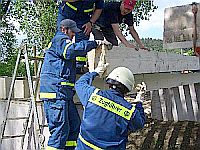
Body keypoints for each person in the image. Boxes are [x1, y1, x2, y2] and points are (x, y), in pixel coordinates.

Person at [39, 19, 100, 150]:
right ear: (64, 29)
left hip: (63, 94)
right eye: (72, 32)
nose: (73, 35)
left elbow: (67, 60)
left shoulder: (62, 43)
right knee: (59, 132)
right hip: (55, 93)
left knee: (74, 127)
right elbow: (69, 51)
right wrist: (94, 44)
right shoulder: (60, 39)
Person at [74, 56, 146, 149]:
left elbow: (80, 83)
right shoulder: (130, 111)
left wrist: (95, 72)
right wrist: (139, 101)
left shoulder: (93, 96)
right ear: (127, 89)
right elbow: (139, 124)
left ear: (109, 83)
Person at [57, 0, 104, 74]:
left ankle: (79, 67)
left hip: (84, 18)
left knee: (83, 37)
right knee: (62, 38)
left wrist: (91, 22)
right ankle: (59, 64)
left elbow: (99, 8)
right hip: (67, 13)